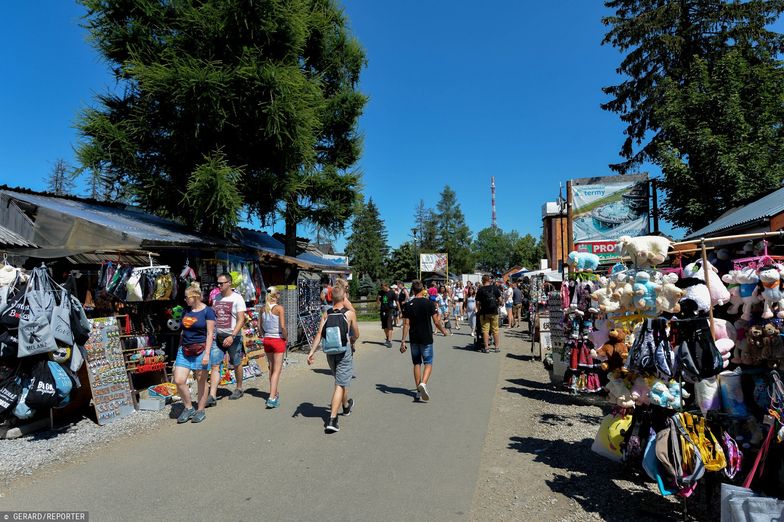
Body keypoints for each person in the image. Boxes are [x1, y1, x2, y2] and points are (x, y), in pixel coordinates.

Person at [307, 285, 360, 433]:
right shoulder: (349, 314)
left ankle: (346, 406)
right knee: (339, 384)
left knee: (340, 381)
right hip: (344, 351)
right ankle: (332, 419)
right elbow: (356, 334)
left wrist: (312, 352)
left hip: (330, 352)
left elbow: (319, 334)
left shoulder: (326, 313)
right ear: (344, 298)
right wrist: (352, 341)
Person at [173, 283, 219, 423]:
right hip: (185, 349)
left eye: (187, 297)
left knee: (201, 380)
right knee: (179, 380)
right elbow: (183, 330)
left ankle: (200, 409)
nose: (185, 299)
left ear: (195, 297)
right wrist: (179, 348)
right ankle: (188, 407)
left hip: (201, 349)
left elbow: (210, 333)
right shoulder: (186, 310)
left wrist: (206, 354)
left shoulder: (208, 311)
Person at [400, 280, 447, 402]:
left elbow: (406, 324)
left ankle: (418, 391)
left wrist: (403, 341)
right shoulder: (429, 303)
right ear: (423, 290)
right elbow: (436, 321)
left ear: (413, 291)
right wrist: (443, 331)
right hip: (426, 337)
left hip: (414, 337)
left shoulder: (408, 305)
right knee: (428, 362)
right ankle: (424, 384)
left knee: (416, 363)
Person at [209, 272, 247, 401]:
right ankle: (212, 395)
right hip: (218, 336)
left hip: (233, 336)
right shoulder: (216, 299)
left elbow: (241, 320)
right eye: (218, 283)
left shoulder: (237, 298)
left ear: (229, 283)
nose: (219, 285)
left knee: (236, 363)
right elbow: (214, 317)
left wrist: (232, 336)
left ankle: (239, 388)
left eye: (222, 283)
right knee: (215, 364)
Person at [259, 286, 286, 408]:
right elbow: (283, 326)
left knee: (271, 368)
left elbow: (260, 327)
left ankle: (274, 392)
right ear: (276, 295)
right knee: (277, 370)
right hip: (277, 338)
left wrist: (264, 335)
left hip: (267, 339)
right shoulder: (279, 308)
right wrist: (285, 337)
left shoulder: (262, 309)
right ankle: (272, 397)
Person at [476, 274, 503, 353]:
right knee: (495, 329)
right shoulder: (494, 288)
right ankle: (496, 347)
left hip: (484, 312)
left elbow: (478, 302)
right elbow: (500, 299)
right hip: (494, 311)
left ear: (483, 280)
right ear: (489, 280)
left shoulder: (480, 290)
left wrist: (478, 311)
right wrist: (499, 304)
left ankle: (487, 348)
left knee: (485, 330)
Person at [376, 282, 397, 347]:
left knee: (389, 326)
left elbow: (396, 301)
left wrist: (399, 310)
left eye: (383, 288)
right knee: (384, 327)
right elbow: (378, 302)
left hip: (390, 310)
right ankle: (387, 338)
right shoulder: (381, 292)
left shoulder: (392, 292)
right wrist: (378, 298)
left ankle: (389, 341)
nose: (382, 289)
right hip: (383, 310)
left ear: (387, 286)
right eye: (382, 288)